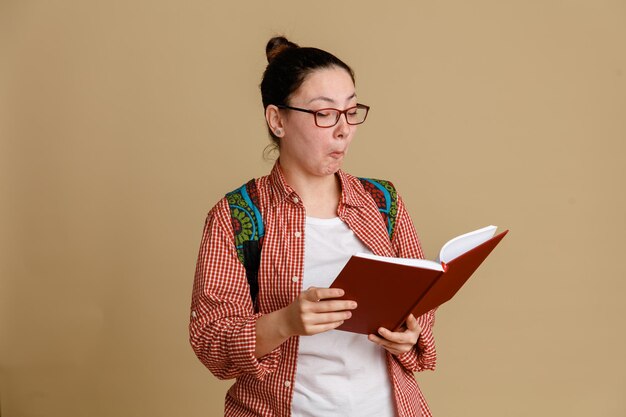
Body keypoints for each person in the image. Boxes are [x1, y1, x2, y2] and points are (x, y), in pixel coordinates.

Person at [189, 36, 437, 417]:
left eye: (351, 111)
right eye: (324, 114)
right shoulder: (237, 215)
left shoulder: (383, 202)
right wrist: (284, 322)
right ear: (277, 120)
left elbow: (420, 308)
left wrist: (409, 337)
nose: (343, 130)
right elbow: (210, 340)